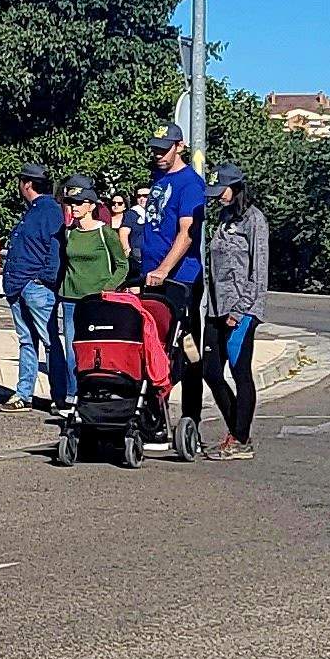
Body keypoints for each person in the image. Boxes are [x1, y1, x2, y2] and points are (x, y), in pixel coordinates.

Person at [138, 125, 214, 453]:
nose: (157, 154)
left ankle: (189, 419)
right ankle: (153, 416)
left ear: (179, 147)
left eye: (164, 148)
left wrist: (164, 270)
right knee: (151, 346)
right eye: (155, 148)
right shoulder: (158, 179)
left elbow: (187, 233)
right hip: (149, 276)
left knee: (183, 348)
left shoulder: (190, 184)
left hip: (179, 279)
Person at [196, 166, 273, 461]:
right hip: (216, 307)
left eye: (222, 192)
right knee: (210, 372)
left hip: (243, 309)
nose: (218, 198)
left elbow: (259, 271)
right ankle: (237, 430)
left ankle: (240, 439)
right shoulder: (223, 217)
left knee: (240, 373)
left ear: (237, 188)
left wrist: (241, 310)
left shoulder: (255, 220)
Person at [0, 165, 73, 413]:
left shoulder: (50, 210)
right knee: (26, 341)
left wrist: (42, 280)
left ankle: (61, 396)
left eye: (21, 182)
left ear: (27, 184)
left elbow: (55, 249)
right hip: (18, 285)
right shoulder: (32, 211)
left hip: (35, 287)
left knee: (50, 341)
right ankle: (24, 393)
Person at [58, 175, 132, 308]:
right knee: (69, 330)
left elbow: (122, 265)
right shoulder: (68, 232)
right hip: (69, 297)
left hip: (97, 298)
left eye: (80, 202)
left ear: (91, 206)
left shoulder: (105, 232)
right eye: (71, 202)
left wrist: (109, 287)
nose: (74, 206)